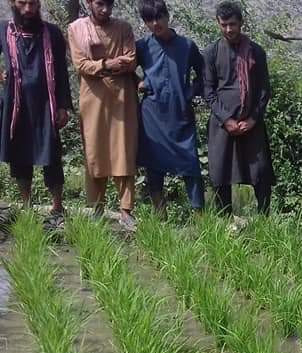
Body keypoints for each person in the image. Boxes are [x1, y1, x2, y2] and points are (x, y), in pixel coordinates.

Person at [0, 0, 71, 229]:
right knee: (21, 156)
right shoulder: (4, 30)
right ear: (13, 2)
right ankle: (27, 205)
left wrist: (62, 106)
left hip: (46, 105)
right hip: (17, 105)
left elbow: (61, 71)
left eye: (33, 3)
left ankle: (57, 208)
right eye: (23, 3)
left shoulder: (52, 33)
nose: (29, 9)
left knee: (51, 157)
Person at [67, 0, 138, 230]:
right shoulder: (76, 28)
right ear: (88, 2)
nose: (105, 9)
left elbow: (130, 60)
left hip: (122, 98)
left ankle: (126, 210)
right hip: (93, 98)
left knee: (123, 151)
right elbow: (81, 65)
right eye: (99, 3)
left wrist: (101, 66)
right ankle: (97, 207)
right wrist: (108, 63)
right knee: (95, 151)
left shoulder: (124, 28)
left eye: (109, 3)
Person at [203, 1, 273, 215]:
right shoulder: (212, 52)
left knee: (260, 172)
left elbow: (263, 90)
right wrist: (226, 120)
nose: (229, 29)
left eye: (232, 24)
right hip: (223, 125)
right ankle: (224, 223)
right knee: (221, 173)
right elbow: (208, 90)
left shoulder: (256, 52)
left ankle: (263, 221)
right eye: (224, 25)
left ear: (241, 23)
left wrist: (252, 119)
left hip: (251, 123)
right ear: (218, 23)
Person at [136, 0, 205, 213]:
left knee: (190, 163)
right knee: (153, 164)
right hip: (152, 115)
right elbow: (126, 70)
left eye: (159, 17)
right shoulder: (143, 46)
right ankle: (160, 212)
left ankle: (200, 214)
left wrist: (189, 93)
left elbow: (203, 75)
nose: (155, 23)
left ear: (167, 16)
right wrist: (139, 82)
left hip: (180, 114)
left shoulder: (186, 46)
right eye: (149, 19)